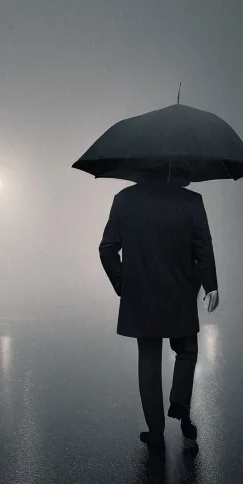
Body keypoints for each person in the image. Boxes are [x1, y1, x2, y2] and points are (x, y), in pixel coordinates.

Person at [98, 165, 219, 451]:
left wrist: (123, 283)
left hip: (142, 294)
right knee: (187, 350)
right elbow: (203, 246)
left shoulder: (124, 199)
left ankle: (155, 430)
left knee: (149, 361)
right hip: (181, 290)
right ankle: (179, 403)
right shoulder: (191, 200)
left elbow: (107, 249)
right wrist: (210, 284)